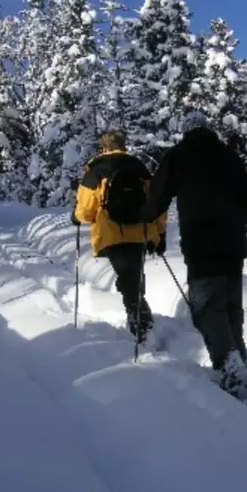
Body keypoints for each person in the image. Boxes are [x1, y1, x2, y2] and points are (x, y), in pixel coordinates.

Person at [140, 112, 247, 397]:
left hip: (200, 243)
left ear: (185, 131)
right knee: (231, 306)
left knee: (207, 308)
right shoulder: (227, 155)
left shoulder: (180, 155)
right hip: (233, 243)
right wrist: (239, 216)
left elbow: (157, 198)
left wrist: (142, 216)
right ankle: (238, 360)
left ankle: (229, 365)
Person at [73, 130, 167, 344]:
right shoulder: (139, 168)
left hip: (112, 235)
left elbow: (86, 210)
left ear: (103, 148)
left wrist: (76, 216)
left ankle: (141, 324)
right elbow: (157, 202)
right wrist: (159, 233)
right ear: (123, 146)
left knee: (128, 279)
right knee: (133, 276)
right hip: (141, 231)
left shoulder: (96, 170)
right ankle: (140, 319)